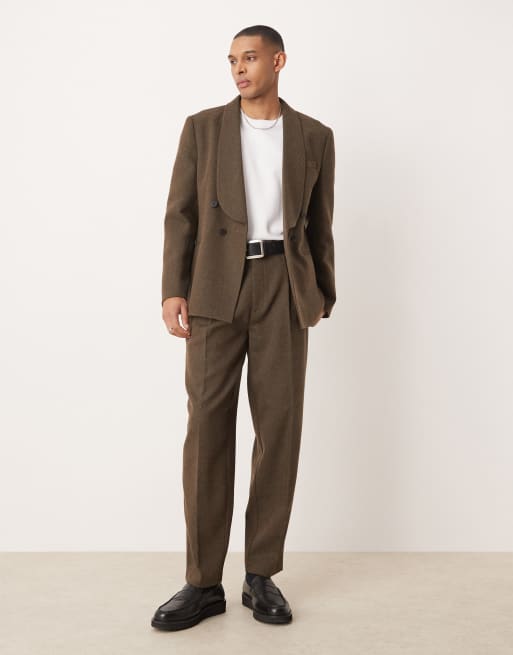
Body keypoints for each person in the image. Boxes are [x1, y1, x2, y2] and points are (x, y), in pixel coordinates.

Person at [151, 24, 336, 631]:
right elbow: (180, 214)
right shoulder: (202, 128)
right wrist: (173, 288)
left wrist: (322, 294)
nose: (239, 69)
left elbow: (320, 223)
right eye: (232, 59)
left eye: (250, 58)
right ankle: (203, 581)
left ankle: (261, 575)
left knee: (279, 428)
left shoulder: (314, 136)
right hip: (213, 286)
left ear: (278, 62)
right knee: (207, 428)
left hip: (284, 286)